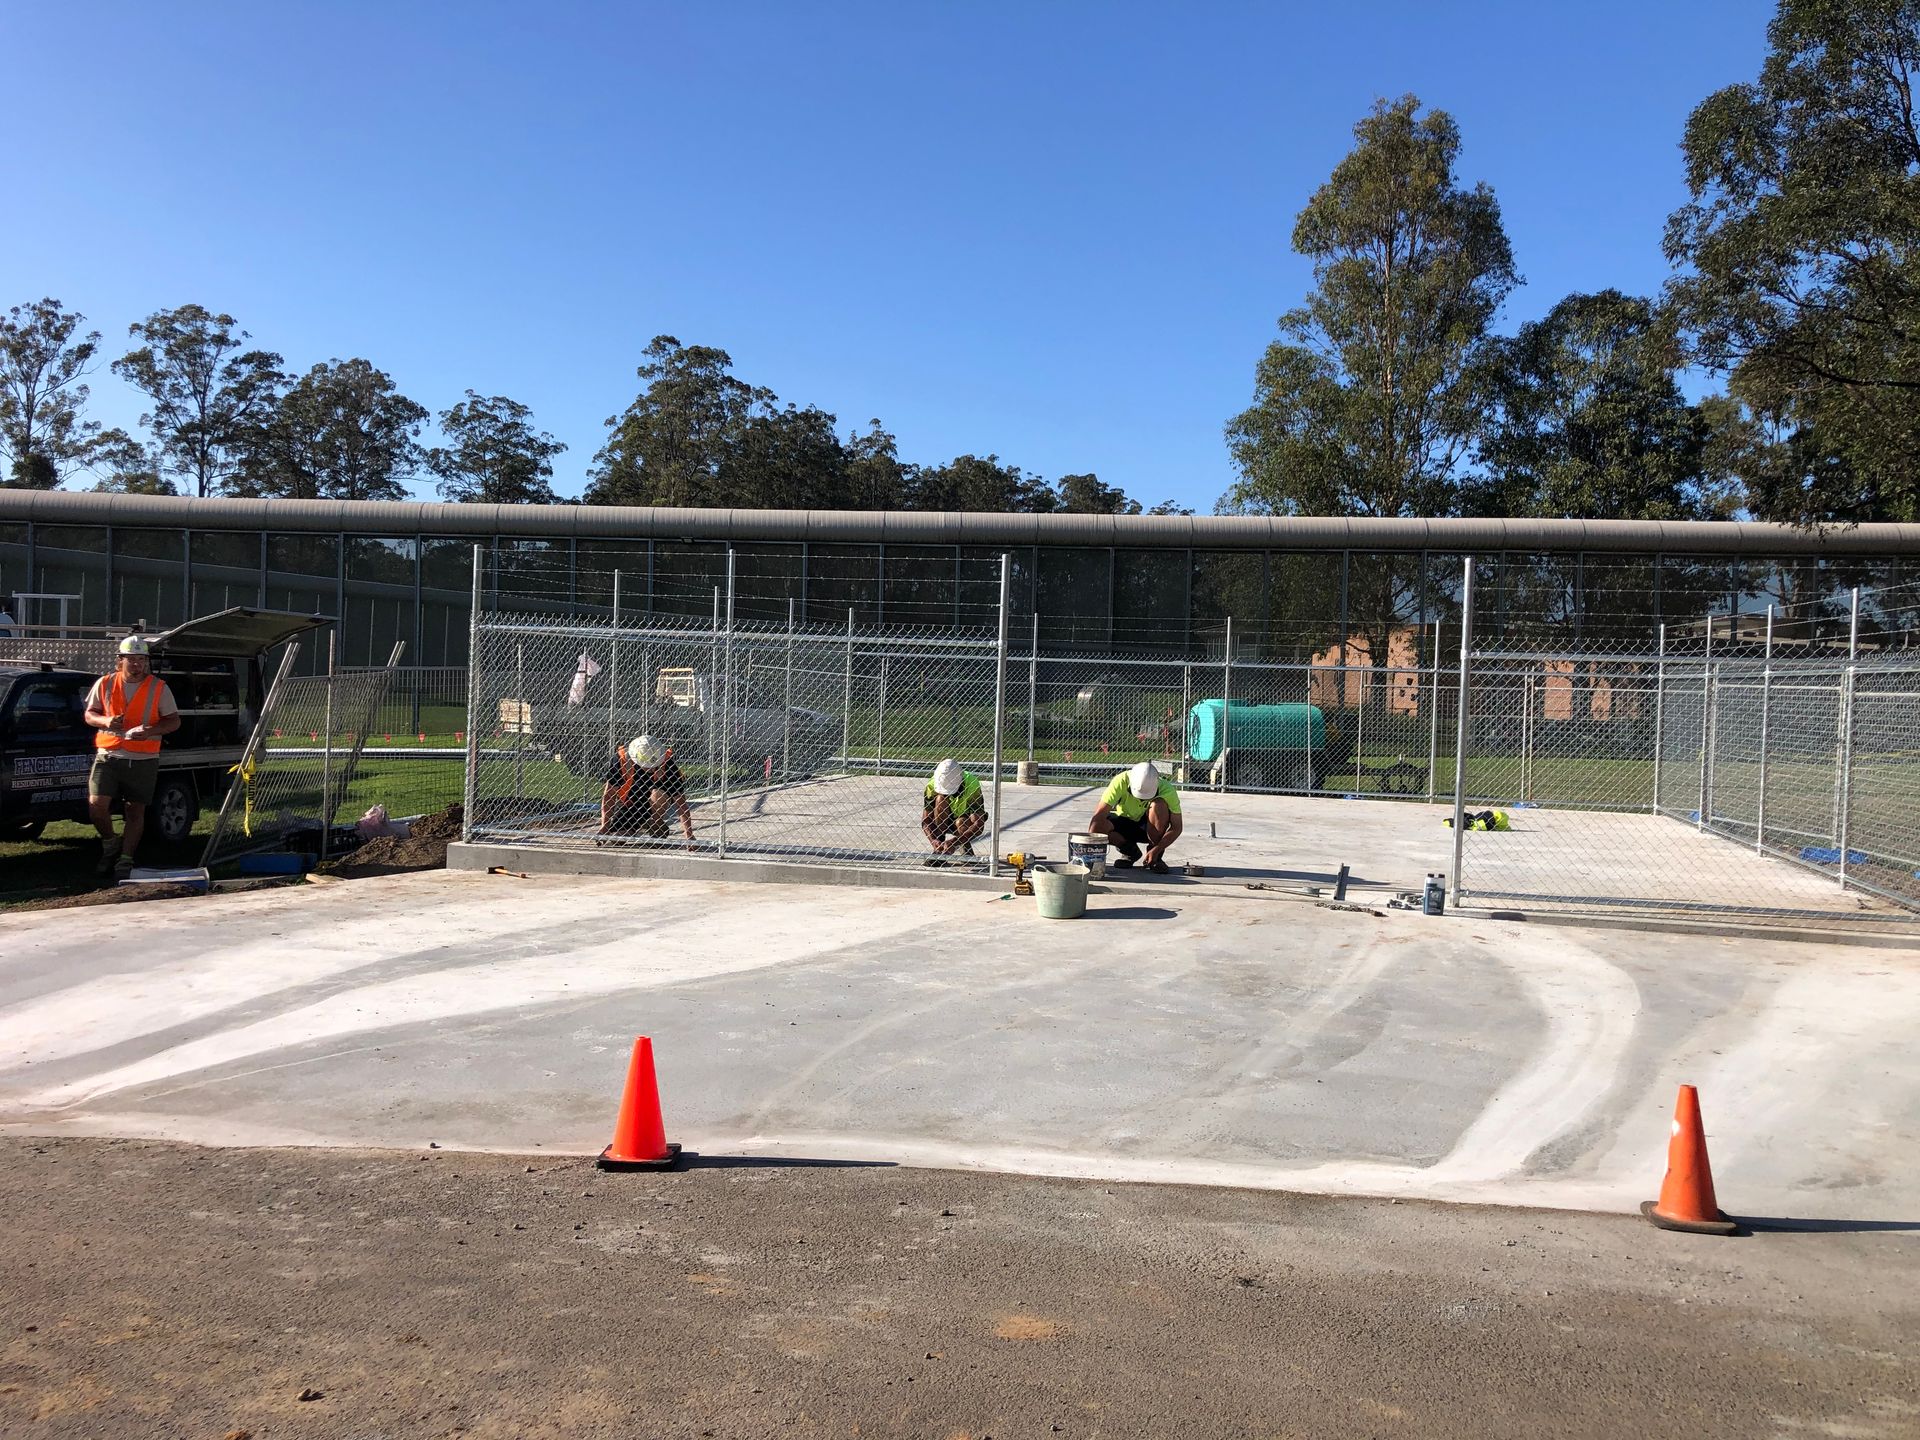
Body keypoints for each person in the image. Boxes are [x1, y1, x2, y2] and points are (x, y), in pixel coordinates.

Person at [83, 635, 181, 877]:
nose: (137, 665)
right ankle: (110, 842)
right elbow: (89, 714)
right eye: (131, 660)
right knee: (96, 806)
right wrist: (106, 720)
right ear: (120, 660)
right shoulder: (105, 683)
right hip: (108, 755)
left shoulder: (159, 687)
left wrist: (151, 730)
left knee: (135, 811)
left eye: (141, 660)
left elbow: (174, 721)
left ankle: (125, 860)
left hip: (143, 759)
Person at [600, 734, 695, 847]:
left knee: (658, 793)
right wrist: (604, 827)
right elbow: (609, 794)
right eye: (646, 765)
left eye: (653, 764)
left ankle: (656, 823)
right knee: (617, 838)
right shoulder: (622, 760)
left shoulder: (667, 763)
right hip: (631, 803)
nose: (650, 768)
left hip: (656, 803)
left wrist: (688, 834)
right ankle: (642, 823)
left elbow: (680, 802)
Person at [1089, 759, 1182, 874]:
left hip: (1149, 827)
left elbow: (1177, 827)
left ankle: (1155, 857)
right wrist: (1091, 853)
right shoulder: (1120, 780)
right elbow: (1098, 817)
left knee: (1159, 805)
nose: (1141, 799)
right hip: (1123, 823)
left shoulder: (1167, 790)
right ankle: (1130, 851)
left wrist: (1157, 849)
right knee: (1098, 825)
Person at [922, 757, 987, 863]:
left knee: (961, 822)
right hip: (941, 818)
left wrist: (955, 842)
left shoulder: (972, 783)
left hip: (963, 819)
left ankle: (965, 848)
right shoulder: (932, 785)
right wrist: (934, 840)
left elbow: (978, 824)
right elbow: (926, 820)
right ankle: (940, 849)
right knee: (940, 799)